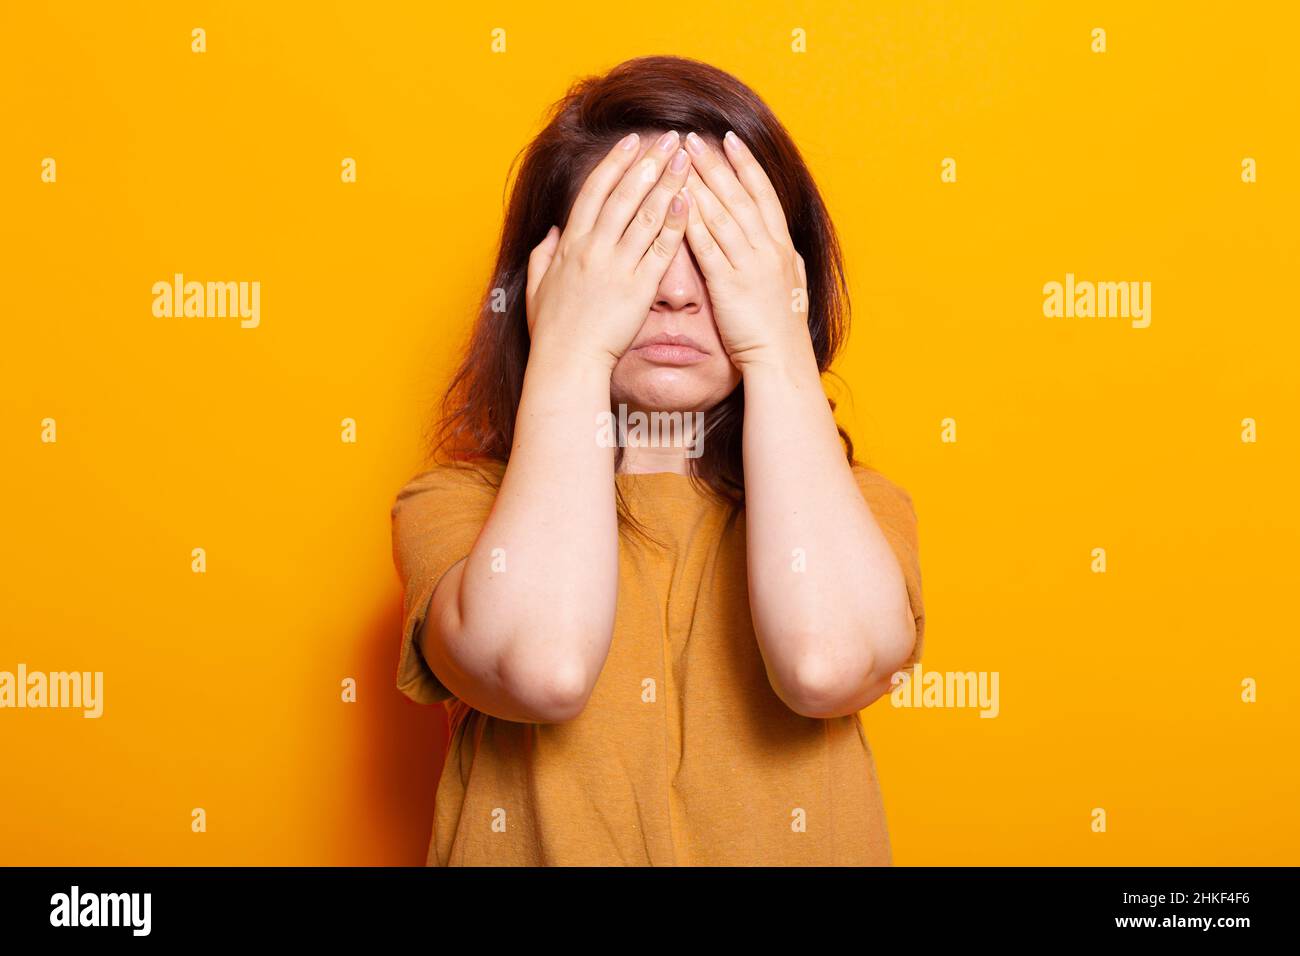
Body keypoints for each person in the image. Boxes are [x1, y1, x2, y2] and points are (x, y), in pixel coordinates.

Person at [391, 55, 925, 866]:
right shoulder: (454, 510)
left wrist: (775, 345)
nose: (677, 292)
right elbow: (542, 667)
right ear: (547, 276)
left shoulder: (858, 512)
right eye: (637, 245)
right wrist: (569, 349)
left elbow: (826, 664)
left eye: (717, 248)